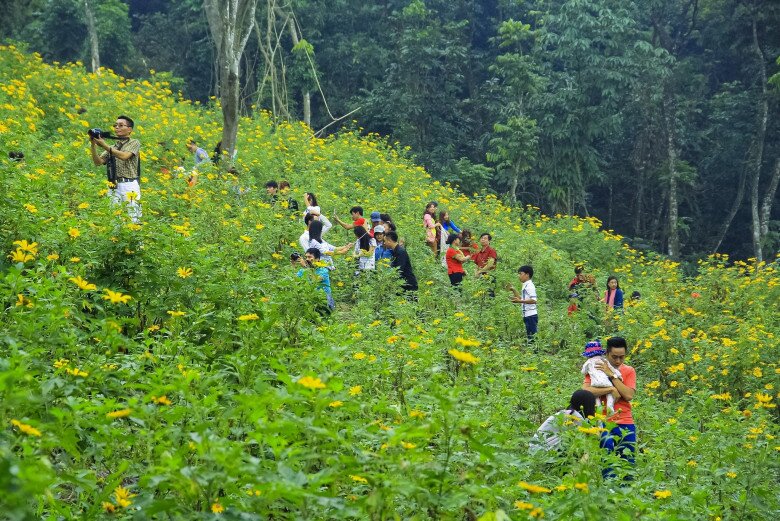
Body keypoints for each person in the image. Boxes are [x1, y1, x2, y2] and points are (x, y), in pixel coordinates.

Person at [582, 336, 637, 480]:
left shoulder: (629, 370)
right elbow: (586, 391)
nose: (618, 361)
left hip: (625, 421)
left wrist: (611, 375)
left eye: (622, 357)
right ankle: (609, 488)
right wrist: (611, 390)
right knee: (606, 457)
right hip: (603, 421)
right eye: (614, 357)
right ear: (606, 353)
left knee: (628, 460)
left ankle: (627, 492)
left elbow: (628, 395)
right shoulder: (596, 366)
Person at [90, 115, 141, 223]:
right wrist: (93, 144)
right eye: (115, 125)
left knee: (133, 218)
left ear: (129, 129)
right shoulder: (113, 146)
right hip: (113, 185)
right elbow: (98, 162)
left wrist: (104, 145)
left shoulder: (134, 142)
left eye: (121, 125)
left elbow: (124, 156)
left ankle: (136, 240)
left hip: (129, 185)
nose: (117, 127)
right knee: (114, 219)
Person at [529, 389, 596, 455]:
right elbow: (590, 435)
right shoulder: (575, 416)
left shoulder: (568, 412)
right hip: (542, 450)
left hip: (537, 447)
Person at [580, 340, 622, 414]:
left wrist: (589, 371)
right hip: (606, 382)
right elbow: (612, 369)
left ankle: (598, 409)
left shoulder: (589, 362)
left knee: (596, 396)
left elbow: (583, 371)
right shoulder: (604, 361)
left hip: (595, 383)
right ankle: (610, 407)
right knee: (609, 395)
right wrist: (618, 375)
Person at [297, 248, 335, 313]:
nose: (307, 259)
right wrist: (294, 265)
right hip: (310, 298)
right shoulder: (302, 271)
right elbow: (295, 282)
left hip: (323, 299)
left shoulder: (324, 270)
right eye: (306, 257)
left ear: (317, 259)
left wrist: (306, 267)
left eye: (309, 257)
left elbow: (315, 280)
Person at [508, 265, 538, 341]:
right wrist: (514, 290)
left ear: (527, 275)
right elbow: (522, 299)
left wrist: (519, 301)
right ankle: (532, 351)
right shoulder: (525, 285)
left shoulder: (530, 286)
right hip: (527, 315)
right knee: (530, 336)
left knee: (532, 337)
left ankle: (535, 352)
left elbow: (534, 300)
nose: (519, 276)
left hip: (531, 315)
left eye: (520, 274)